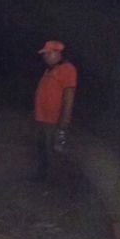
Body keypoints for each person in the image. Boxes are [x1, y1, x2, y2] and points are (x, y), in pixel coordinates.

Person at [29, 40, 77, 182]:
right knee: (41, 148)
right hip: (42, 117)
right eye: (45, 54)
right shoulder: (49, 70)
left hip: (53, 119)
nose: (45, 56)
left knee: (53, 151)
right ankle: (42, 175)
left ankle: (55, 181)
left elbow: (69, 98)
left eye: (48, 53)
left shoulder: (67, 69)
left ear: (58, 53)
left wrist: (63, 125)